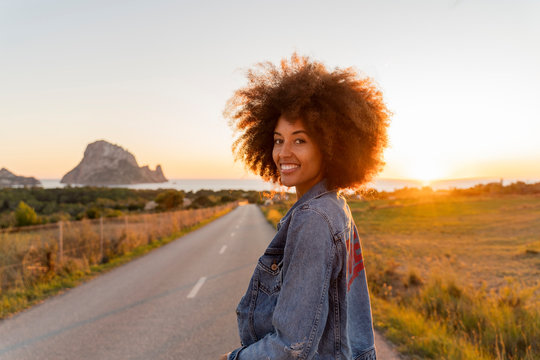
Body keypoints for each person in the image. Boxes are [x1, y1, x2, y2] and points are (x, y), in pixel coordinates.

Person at [221, 54, 390, 360]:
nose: (283, 153)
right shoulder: (335, 206)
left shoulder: (313, 219)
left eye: (299, 141)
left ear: (330, 146)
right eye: (278, 140)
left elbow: (291, 348)